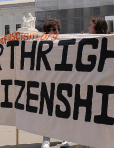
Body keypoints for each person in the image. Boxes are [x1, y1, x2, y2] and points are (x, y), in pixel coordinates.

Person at [40, 19, 71, 148]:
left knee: (64, 111)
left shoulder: (63, 42)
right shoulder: (40, 43)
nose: (57, 31)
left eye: (58, 29)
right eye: (54, 29)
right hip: (47, 81)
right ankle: (46, 139)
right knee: (48, 112)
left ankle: (66, 137)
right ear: (47, 31)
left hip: (62, 81)